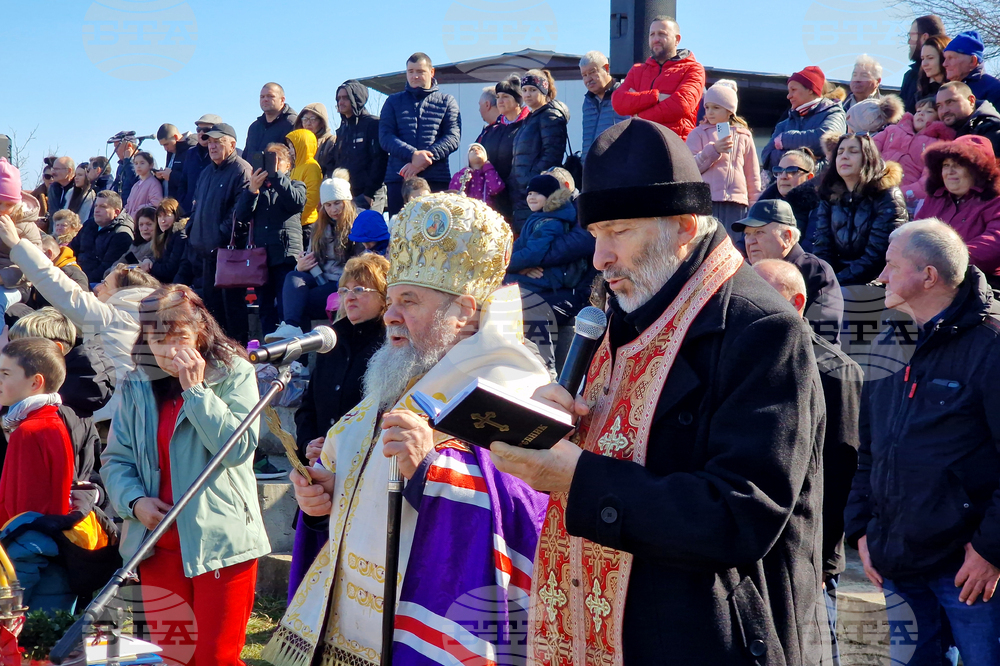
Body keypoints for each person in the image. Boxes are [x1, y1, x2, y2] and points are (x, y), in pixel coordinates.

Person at [490, 118, 828, 664]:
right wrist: (564, 427)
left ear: (684, 227)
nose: (599, 258)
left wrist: (578, 478)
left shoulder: (761, 328)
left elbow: (742, 514)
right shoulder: (629, 306)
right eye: (595, 235)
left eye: (619, 232)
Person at [263, 191, 551, 666]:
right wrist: (323, 501)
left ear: (464, 310)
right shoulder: (397, 382)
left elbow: (530, 513)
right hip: (350, 627)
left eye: (409, 301)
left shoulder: (513, 386)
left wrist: (431, 469)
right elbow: (357, 492)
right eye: (392, 300)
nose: (391, 315)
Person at [845, 219, 1000, 665]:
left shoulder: (991, 346)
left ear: (928, 276)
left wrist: (991, 550)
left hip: (968, 569)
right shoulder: (885, 339)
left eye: (891, 266)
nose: (881, 277)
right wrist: (862, 530)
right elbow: (868, 446)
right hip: (897, 558)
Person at [102, 284, 269, 666]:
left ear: (200, 332)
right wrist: (134, 502)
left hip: (220, 545)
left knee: (216, 657)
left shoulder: (234, 372)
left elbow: (238, 448)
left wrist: (196, 391)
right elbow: (116, 460)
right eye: (156, 340)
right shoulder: (138, 384)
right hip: (157, 545)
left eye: (177, 337)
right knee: (173, 657)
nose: (167, 351)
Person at [752, 258, 862, 666]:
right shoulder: (740, 361)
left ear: (796, 302)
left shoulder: (835, 372)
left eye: (762, 295)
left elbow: (841, 470)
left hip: (809, 555)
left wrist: (824, 557)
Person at [287, 253, 389, 604]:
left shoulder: (391, 348)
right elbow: (308, 409)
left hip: (363, 478)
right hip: (322, 476)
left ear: (385, 296)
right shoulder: (328, 343)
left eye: (361, 289)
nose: (350, 297)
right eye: (345, 290)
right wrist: (309, 444)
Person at [1, 213, 159, 421]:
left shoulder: (112, 318)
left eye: (106, 284)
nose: (97, 288)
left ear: (122, 293)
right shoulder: (148, 320)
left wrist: (17, 244)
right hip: (137, 416)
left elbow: (58, 285)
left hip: (110, 418)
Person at [734, 198, 844, 346]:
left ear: (787, 237)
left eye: (759, 232)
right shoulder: (743, 272)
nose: (750, 241)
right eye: (747, 234)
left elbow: (823, 338)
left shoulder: (815, 272)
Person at [185, 122, 252, 345]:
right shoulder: (206, 172)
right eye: (210, 142)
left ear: (232, 144)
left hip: (228, 253)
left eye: (218, 142)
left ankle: (238, 353)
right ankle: (218, 353)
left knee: (232, 311)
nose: (212, 146)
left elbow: (240, 212)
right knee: (212, 311)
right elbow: (196, 205)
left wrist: (218, 236)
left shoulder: (241, 170)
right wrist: (192, 230)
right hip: (205, 252)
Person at [270, 171, 357, 341]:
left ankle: (296, 345)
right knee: (293, 276)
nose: (333, 209)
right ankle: (291, 327)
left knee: (298, 303)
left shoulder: (358, 222)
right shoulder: (319, 226)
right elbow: (313, 257)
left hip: (344, 283)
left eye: (337, 203)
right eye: (328, 205)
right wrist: (301, 266)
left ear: (346, 202)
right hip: (321, 279)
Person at [812, 133, 908, 285]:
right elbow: (823, 248)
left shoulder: (888, 196)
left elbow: (877, 257)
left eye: (853, 151)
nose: (844, 156)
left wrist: (834, 282)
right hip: (839, 280)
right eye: (840, 152)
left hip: (877, 282)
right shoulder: (830, 195)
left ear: (868, 158)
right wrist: (822, 278)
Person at [0, 338, 73, 527]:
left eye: (5, 374)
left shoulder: (29, 431)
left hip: (23, 540)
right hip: (47, 535)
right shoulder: (52, 420)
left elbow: (20, 510)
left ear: (35, 382)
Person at [235, 142, 305, 337]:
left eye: (277, 160)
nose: (271, 164)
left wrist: (277, 177)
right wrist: (252, 190)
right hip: (261, 258)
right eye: (268, 160)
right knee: (265, 310)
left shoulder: (296, 185)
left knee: (286, 308)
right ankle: (270, 351)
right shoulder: (257, 189)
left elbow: (296, 202)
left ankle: (292, 352)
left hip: (285, 255)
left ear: (288, 165)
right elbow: (240, 215)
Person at [379, 54, 461, 215]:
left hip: (436, 178)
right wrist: (412, 155)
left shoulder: (447, 101)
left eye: (420, 71)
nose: (415, 76)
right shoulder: (393, 102)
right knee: (400, 226)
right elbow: (385, 137)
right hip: (399, 179)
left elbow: (453, 137)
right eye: (410, 71)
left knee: (436, 226)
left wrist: (424, 160)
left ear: (432, 72)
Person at [916, 135, 1000, 285]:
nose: (950, 171)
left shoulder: (995, 201)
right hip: (928, 277)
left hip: (979, 283)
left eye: (959, 165)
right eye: (946, 165)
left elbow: (994, 243)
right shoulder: (936, 197)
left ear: (979, 169)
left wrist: (944, 261)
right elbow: (914, 233)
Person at [685, 79, 761, 235]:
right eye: (707, 107)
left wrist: (754, 204)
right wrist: (713, 150)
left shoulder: (744, 136)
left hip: (737, 203)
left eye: (716, 107)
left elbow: (752, 174)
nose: (710, 112)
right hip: (706, 201)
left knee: (734, 243)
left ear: (729, 110)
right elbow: (690, 168)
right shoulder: (697, 133)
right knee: (706, 241)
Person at [611, 16, 705, 139]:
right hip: (639, 144)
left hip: (674, 145)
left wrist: (638, 116)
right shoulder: (637, 70)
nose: (656, 39)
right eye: (652, 34)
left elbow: (680, 105)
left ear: (677, 39)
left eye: (662, 34)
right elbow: (618, 102)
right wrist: (656, 97)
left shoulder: (693, 69)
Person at [511, 69, 569, 231]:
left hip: (538, 192)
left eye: (533, 90)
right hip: (523, 193)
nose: (527, 94)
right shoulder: (530, 118)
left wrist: (533, 180)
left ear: (544, 91)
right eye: (524, 90)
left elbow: (552, 154)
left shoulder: (550, 116)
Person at [761, 65, 848, 171]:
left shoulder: (834, 113)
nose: (788, 96)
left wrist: (784, 140)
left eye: (793, 90)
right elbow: (767, 156)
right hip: (788, 181)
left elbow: (825, 141)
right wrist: (802, 162)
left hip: (819, 181)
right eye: (789, 91)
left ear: (810, 90)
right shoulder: (783, 124)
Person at [874, 95, 955, 203]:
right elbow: (869, 150)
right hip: (874, 185)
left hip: (905, 199)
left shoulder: (937, 145)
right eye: (919, 111)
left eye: (929, 112)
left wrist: (901, 193)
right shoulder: (892, 130)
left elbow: (928, 179)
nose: (921, 113)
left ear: (938, 118)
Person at [478, 75, 529, 223]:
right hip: (495, 197)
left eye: (505, 97)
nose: (500, 101)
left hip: (520, 197)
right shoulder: (492, 130)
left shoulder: (528, 126)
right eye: (498, 97)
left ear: (518, 100)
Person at [333, 80, 388, 211]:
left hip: (370, 195)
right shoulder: (342, 129)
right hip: (346, 194)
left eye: (345, 98)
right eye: (339, 98)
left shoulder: (373, 124)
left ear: (357, 99)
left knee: (369, 225)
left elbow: (380, 161)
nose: (341, 102)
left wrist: (369, 193)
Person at [759, 148, 822, 251]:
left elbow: (810, 248)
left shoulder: (819, 206)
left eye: (792, 171)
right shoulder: (763, 205)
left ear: (809, 177)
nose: (783, 176)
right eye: (779, 171)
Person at [0, 160, 43, 309]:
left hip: (16, 284)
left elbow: (36, 263)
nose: (3, 209)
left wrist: (3, 277)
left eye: (9, 205)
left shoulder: (26, 226)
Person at [72, 190, 134, 284]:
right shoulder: (89, 224)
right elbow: (72, 248)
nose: (96, 210)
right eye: (96, 206)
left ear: (116, 212)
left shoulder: (121, 235)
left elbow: (106, 269)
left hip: (96, 283)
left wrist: (80, 281)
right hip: (77, 276)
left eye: (103, 207)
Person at [580, 50, 626, 161]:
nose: (588, 79)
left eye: (592, 72)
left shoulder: (624, 94)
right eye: (584, 75)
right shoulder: (588, 102)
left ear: (607, 68)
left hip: (617, 165)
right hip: (590, 167)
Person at [936, 80, 1000, 157]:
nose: (944, 111)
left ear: (971, 101)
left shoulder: (992, 128)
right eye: (939, 106)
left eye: (950, 102)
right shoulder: (942, 133)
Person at [26, 235, 89, 306]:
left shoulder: (74, 275)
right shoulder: (42, 274)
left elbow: (80, 305)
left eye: (35, 255)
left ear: (49, 254)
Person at [244, 82, 297, 167]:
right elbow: (246, 157)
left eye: (270, 96)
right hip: (253, 175)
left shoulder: (292, 123)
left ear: (282, 100)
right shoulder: (254, 127)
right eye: (262, 97)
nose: (265, 99)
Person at [901, 15, 947, 112]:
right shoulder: (911, 76)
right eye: (923, 58)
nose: (909, 41)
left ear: (924, 37)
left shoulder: (955, 78)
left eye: (911, 36)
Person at [943, 30, 1000, 108]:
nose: (944, 64)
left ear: (973, 61)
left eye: (951, 58)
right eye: (945, 58)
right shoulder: (945, 89)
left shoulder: (994, 89)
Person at [177, 115, 218, 216]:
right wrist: (183, 203)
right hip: (189, 211)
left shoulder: (220, 155)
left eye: (206, 130)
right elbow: (183, 181)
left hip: (209, 213)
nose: (201, 133)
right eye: (198, 129)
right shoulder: (190, 153)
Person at [140, 198, 188, 284]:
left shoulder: (180, 236)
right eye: (159, 216)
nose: (162, 221)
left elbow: (170, 270)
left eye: (167, 215)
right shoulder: (165, 235)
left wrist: (150, 266)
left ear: (176, 215)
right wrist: (147, 260)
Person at [285, 128, 322, 237]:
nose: (290, 151)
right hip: (295, 222)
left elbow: (312, 199)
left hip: (307, 224)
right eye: (289, 147)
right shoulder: (294, 167)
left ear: (303, 146)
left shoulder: (312, 167)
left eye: (293, 147)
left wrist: (293, 215)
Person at [447, 142, 504, 207]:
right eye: (472, 150)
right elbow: (454, 193)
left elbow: (495, 189)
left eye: (479, 149)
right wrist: (465, 173)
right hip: (466, 210)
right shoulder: (460, 175)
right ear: (466, 157)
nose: (476, 150)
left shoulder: (489, 173)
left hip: (485, 211)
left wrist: (488, 168)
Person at [155, 123, 198, 208]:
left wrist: (171, 176)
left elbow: (192, 179)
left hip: (185, 206)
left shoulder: (192, 148)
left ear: (175, 137)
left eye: (166, 144)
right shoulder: (171, 151)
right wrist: (161, 177)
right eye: (162, 145)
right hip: (172, 206)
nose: (165, 148)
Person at [107, 206, 156, 274]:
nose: (145, 228)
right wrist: (112, 271)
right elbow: (120, 262)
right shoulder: (134, 246)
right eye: (141, 225)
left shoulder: (160, 246)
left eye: (149, 224)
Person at [293, 103, 336, 177]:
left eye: (313, 119)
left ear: (322, 122)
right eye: (305, 119)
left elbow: (331, 170)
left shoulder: (331, 141)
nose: (308, 123)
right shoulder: (297, 143)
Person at [124, 153, 163, 220]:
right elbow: (128, 204)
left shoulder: (153, 183)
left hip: (144, 222)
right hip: (131, 222)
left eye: (142, 163)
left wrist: (138, 211)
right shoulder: (136, 185)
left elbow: (156, 204)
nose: (138, 166)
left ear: (151, 165)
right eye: (136, 163)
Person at [918, 34, 950, 101]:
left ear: (944, 58)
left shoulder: (958, 89)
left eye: (930, 58)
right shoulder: (921, 92)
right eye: (922, 59)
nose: (924, 64)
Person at [112, 135, 139, 204]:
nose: (115, 150)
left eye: (117, 146)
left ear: (129, 146)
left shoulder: (146, 161)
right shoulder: (121, 166)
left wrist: (128, 161)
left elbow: (137, 183)